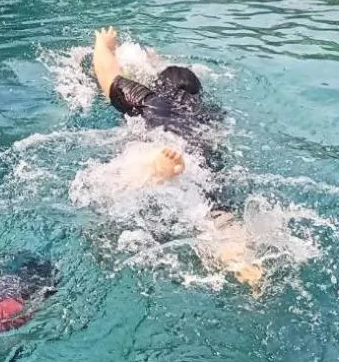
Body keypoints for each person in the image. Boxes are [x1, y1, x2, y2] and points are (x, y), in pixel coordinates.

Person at [90, 27, 264, 289]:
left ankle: (163, 166)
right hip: (202, 156)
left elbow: (107, 74)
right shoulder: (210, 112)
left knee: (146, 161)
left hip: (163, 143)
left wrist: (104, 44)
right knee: (218, 210)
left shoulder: (149, 99)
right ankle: (240, 261)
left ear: (159, 85)